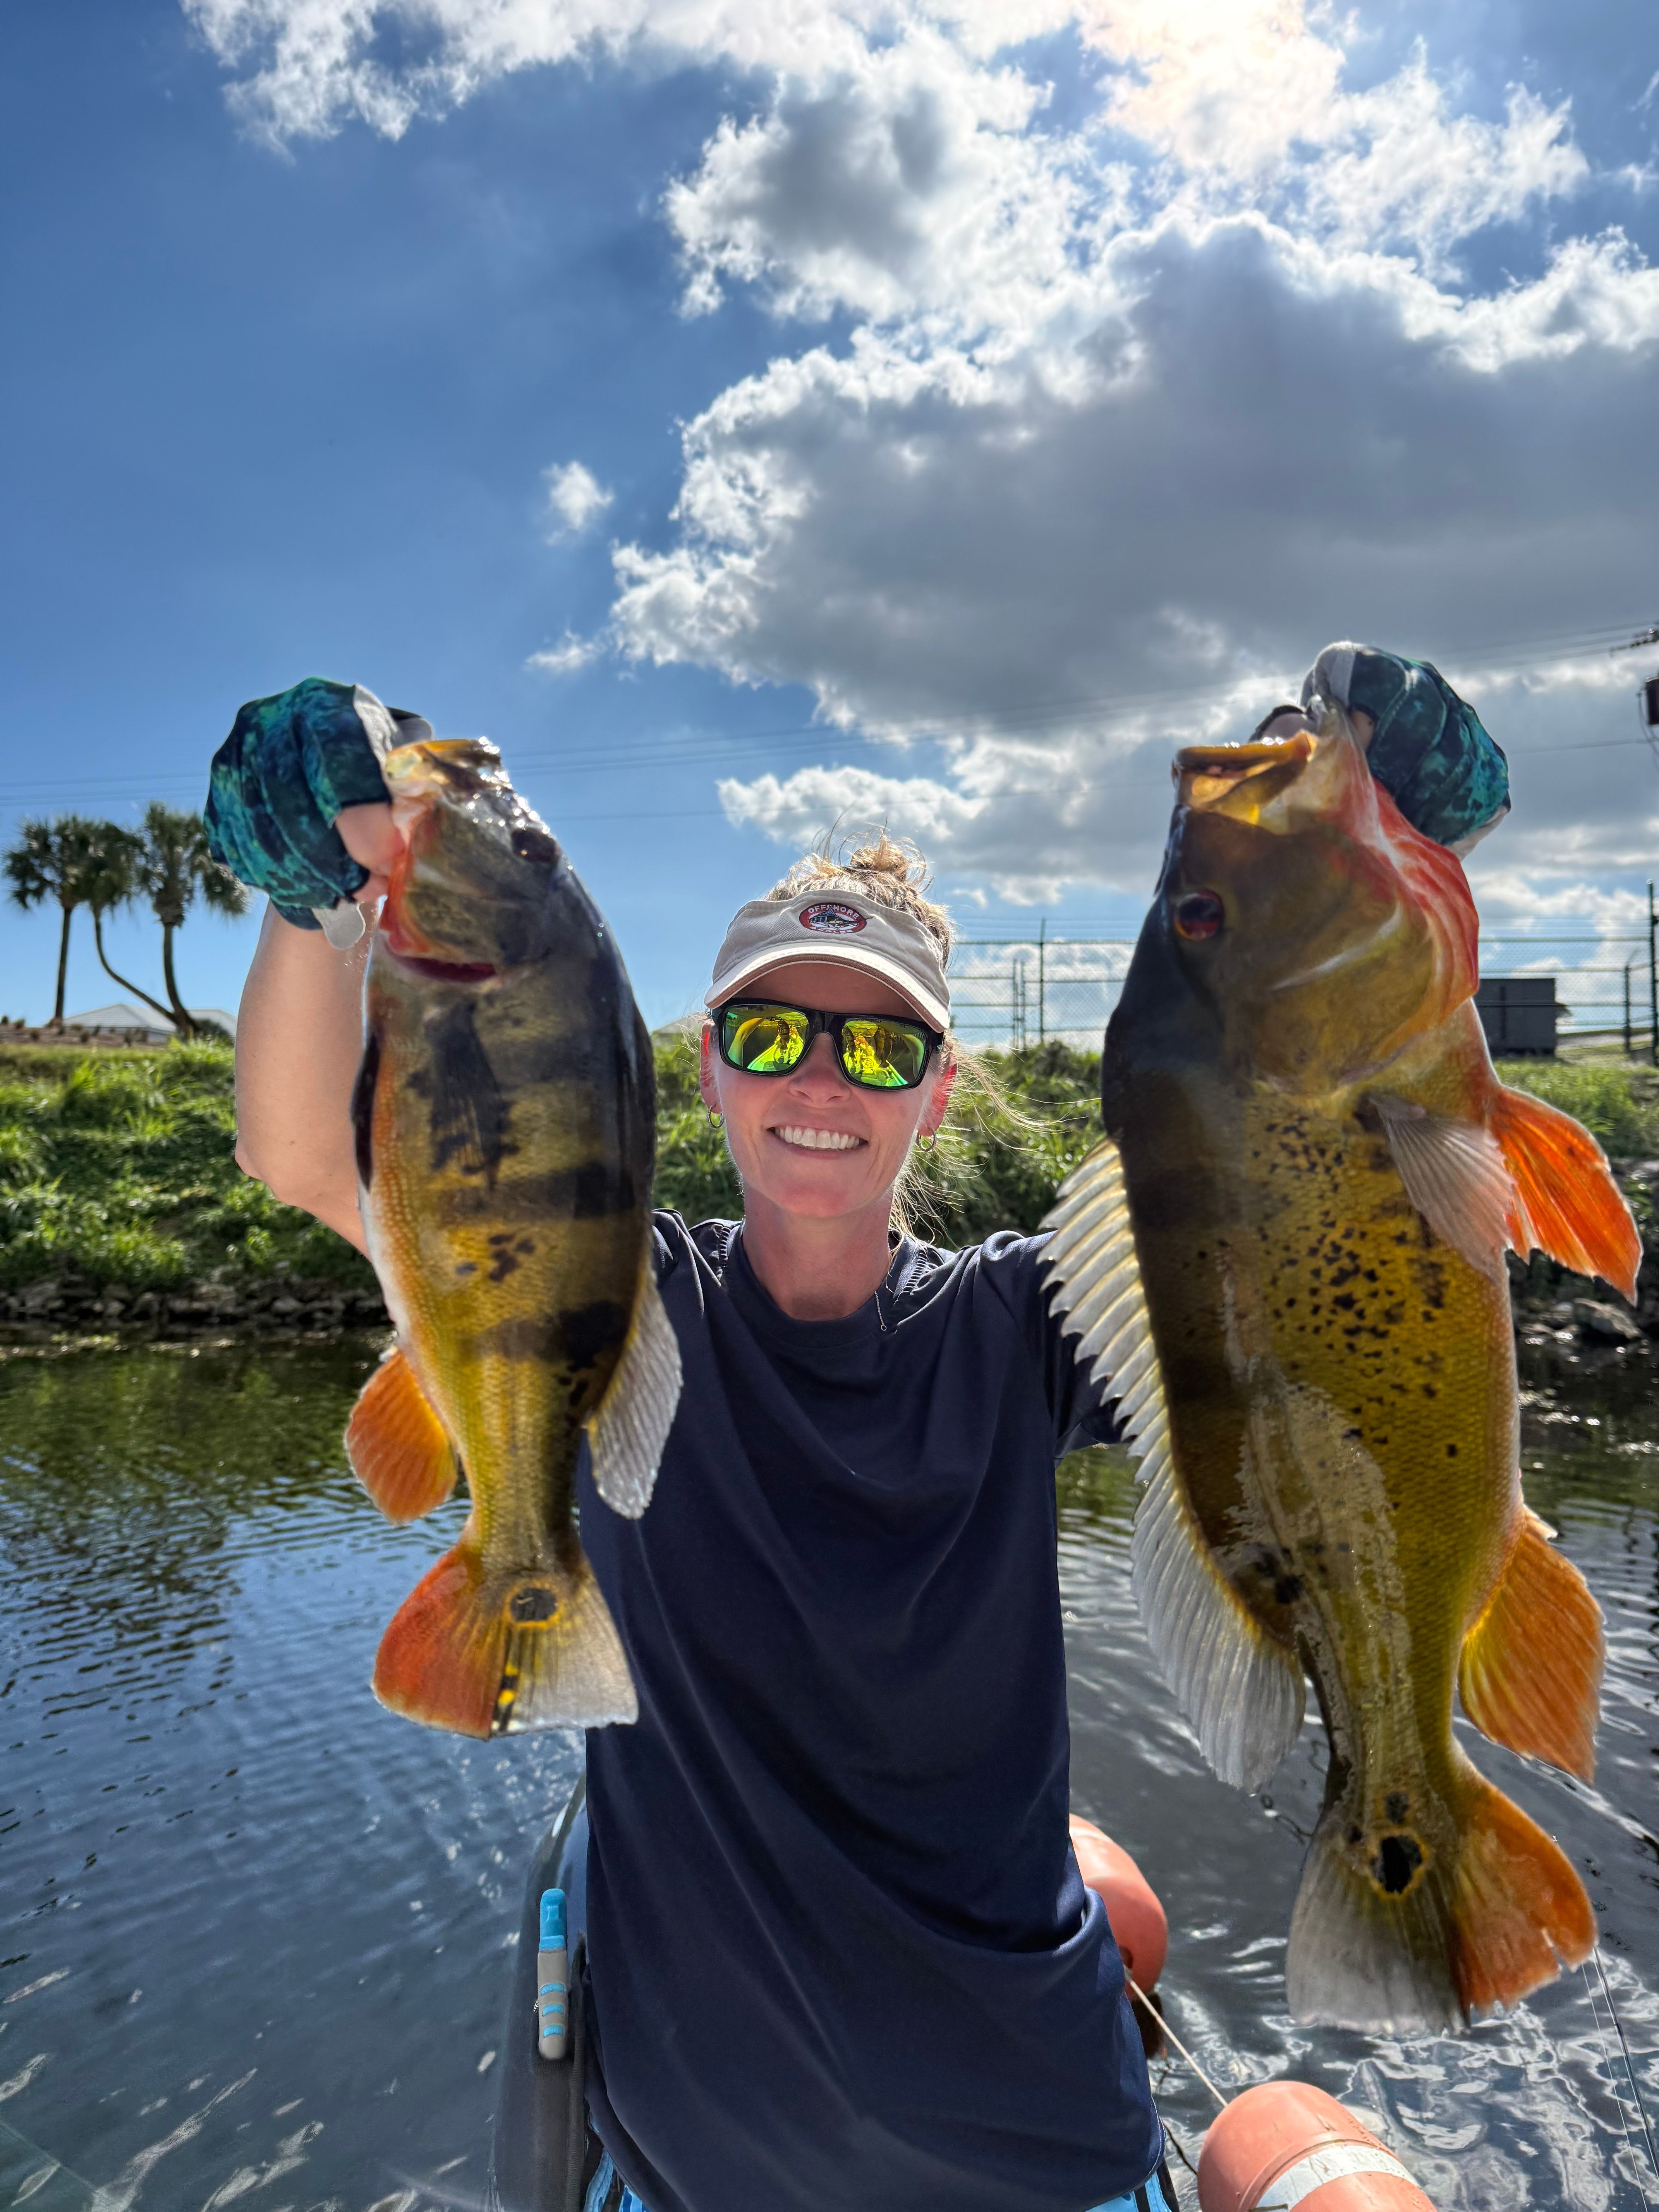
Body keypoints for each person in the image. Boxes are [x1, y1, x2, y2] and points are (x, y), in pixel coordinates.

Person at [211, 647, 1508, 2212]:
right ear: (703, 1066)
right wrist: (309, 906)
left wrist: (1390, 848)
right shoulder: (609, 1292)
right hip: (697, 2166)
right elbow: (300, 1154)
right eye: (770, 1036)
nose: (821, 1076)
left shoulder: (1030, 1323)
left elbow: (1320, 1268)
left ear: (937, 1093)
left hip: (1038, 2142)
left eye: (878, 1046)